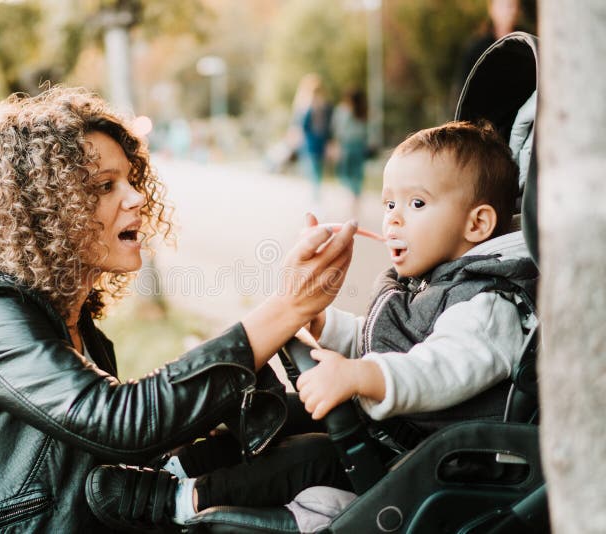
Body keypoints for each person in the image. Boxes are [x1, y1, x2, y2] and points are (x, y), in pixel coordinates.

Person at [0, 87, 358, 532]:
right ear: (45, 210)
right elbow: (120, 422)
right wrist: (286, 307)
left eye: (129, 179)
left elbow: (119, 447)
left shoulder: (79, 327)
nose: (137, 198)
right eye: (105, 186)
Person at [88, 120, 538, 531]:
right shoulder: (433, 282)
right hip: (399, 436)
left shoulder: (489, 303)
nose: (394, 219)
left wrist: (361, 375)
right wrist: (322, 323)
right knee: (285, 411)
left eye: (416, 204)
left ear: (478, 223)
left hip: (431, 463)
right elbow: (386, 337)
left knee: (312, 455)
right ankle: (181, 464)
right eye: (389, 204)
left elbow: (439, 368)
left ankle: (182, 501)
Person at [294, 73, 333, 212]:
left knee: (315, 173)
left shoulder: (319, 106)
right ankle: (315, 200)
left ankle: (315, 201)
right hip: (312, 144)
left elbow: (327, 128)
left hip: (315, 144)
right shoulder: (311, 106)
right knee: (314, 173)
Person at [330, 88, 369, 219]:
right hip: (359, 146)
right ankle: (355, 201)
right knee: (356, 174)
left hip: (347, 146)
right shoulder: (363, 111)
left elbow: (337, 129)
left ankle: (352, 200)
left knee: (345, 174)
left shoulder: (342, 110)